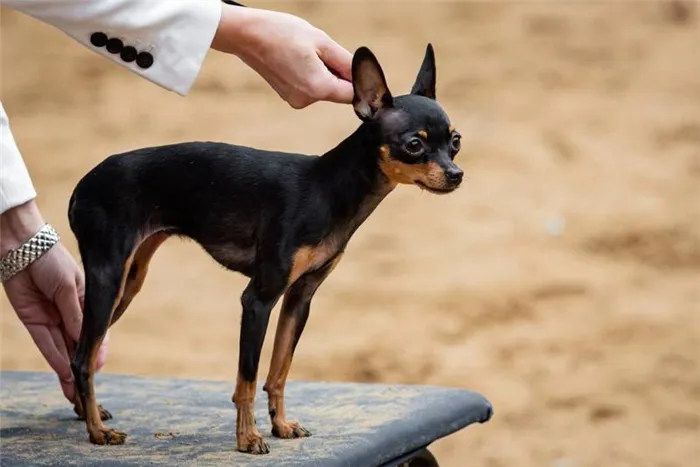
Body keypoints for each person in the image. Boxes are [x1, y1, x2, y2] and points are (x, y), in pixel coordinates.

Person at [0, 0, 354, 404]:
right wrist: (241, 29)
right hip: (124, 193)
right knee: (116, 289)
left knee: (122, 289)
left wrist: (15, 228)